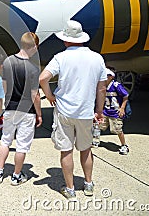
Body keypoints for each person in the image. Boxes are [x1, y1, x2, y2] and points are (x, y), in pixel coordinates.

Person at [39, 20, 106, 199]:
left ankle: (70, 189)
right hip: (85, 111)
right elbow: (101, 88)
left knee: (66, 150)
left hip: (64, 111)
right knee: (86, 149)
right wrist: (99, 110)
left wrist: (50, 96)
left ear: (66, 40)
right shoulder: (97, 58)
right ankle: (88, 184)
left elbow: (43, 78)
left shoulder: (61, 57)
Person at [0, 32, 42, 186]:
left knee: (5, 140)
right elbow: (35, 95)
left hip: (11, 108)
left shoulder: (8, 62)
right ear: (34, 47)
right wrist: (39, 114)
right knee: (22, 145)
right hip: (27, 111)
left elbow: (5, 85)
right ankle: (16, 175)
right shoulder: (33, 68)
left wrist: (7, 100)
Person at [99, 67, 130, 155]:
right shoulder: (102, 86)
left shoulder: (116, 85)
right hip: (106, 111)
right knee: (98, 125)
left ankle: (124, 145)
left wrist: (122, 108)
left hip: (115, 112)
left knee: (118, 129)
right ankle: (94, 140)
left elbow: (125, 96)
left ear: (111, 77)